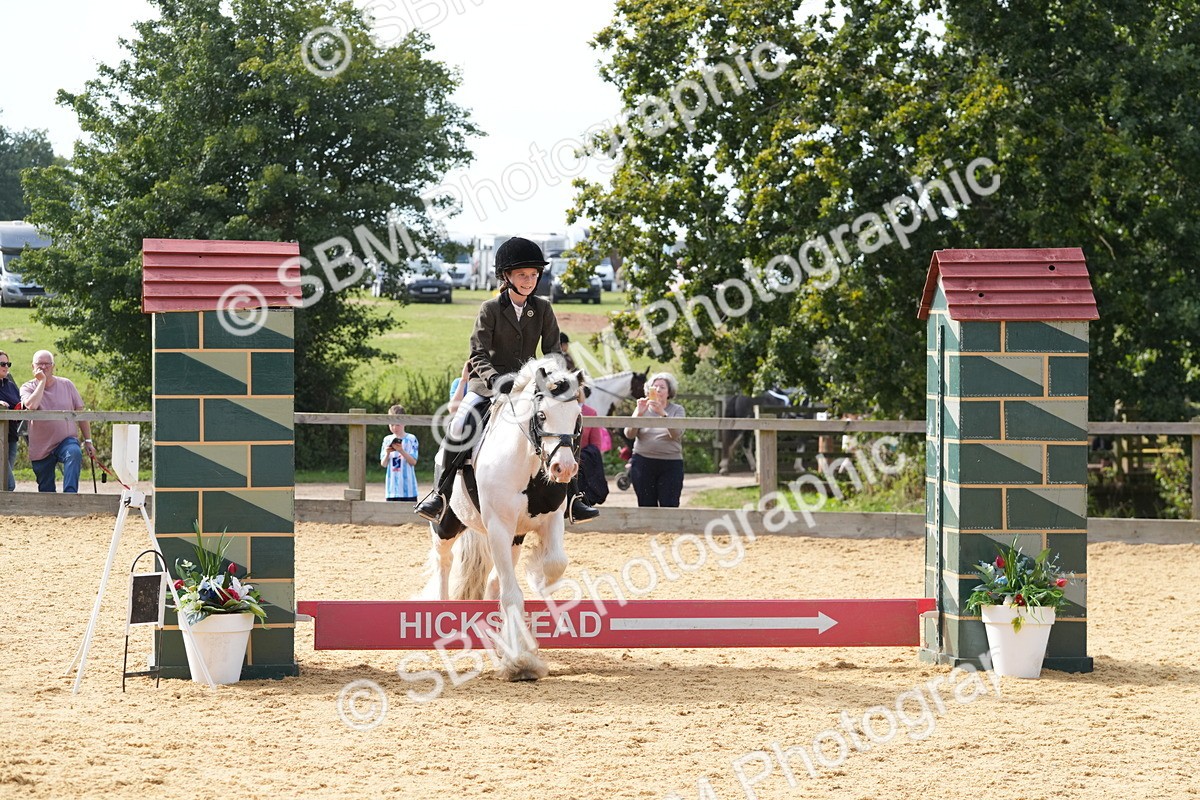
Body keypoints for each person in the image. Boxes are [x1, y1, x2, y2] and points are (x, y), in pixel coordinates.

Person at [415, 236, 599, 526]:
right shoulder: (490, 309)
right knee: (460, 426)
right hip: (489, 386)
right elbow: (477, 353)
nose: (529, 281)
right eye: (522, 275)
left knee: (564, 424)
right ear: (507, 277)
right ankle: (440, 494)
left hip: (531, 387)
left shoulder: (542, 308)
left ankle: (575, 499)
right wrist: (496, 381)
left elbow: (552, 352)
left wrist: (553, 380)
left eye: (533, 275)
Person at [19, 350, 96, 493]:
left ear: (53, 366)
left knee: (74, 452)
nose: (43, 367)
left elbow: (80, 413)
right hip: (40, 447)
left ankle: (70, 495)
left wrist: (88, 441)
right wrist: (41, 381)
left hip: (65, 440)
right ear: (32, 367)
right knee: (46, 490)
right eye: (39, 364)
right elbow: (31, 405)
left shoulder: (67, 384)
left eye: (47, 364)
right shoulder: (27, 387)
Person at [623, 371, 686, 507]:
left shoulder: (677, 410)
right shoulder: (642, 408)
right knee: (646, 505)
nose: (658, 390)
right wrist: (638, 414)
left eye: (662, 387)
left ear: (669, 392)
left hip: (671, 463)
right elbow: (629, 434)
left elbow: (676, 434)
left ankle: (668, 529)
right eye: (655, 387)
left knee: (670, 504)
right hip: (643, 462)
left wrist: (663, 414)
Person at [380, 404, 419, 502]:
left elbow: (413, 462)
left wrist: (401, 450)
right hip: (391, 489)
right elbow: (383, 464)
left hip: (409, 490)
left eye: (397, 424)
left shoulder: (411, 439)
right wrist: (388, 453)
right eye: (391, 425)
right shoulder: (387, 439)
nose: (394, 428)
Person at [0, 350, 21, 491]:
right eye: (2, 363)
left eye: (8, 363)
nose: (6, 366)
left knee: (3, 483)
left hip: (12, 436)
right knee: (9, 484)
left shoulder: (10, 385)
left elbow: (20, 403)